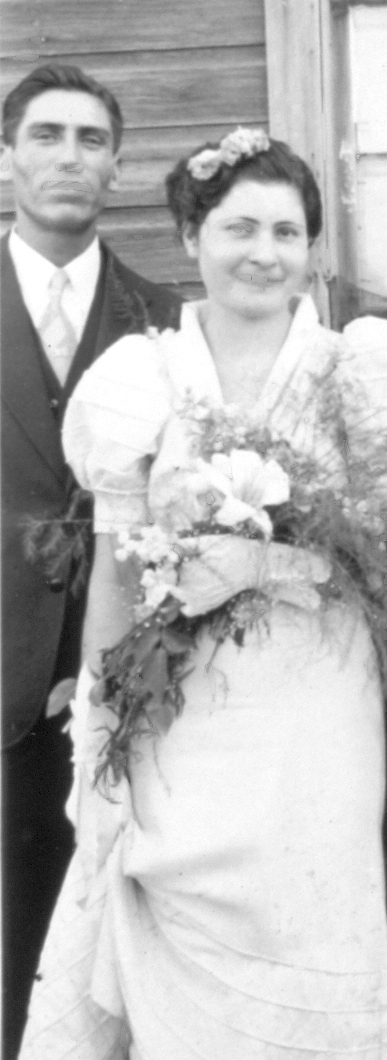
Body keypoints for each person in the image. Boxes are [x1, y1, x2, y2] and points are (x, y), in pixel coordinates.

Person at [17, 131, 387, 1058]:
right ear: (191, 237)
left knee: (308, 914)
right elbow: (116, 570)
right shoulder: (142, 374)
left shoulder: (356, 367)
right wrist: (98, 720)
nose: (264, 253)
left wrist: (273, 566)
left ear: (312, 250)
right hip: (181, 704)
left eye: (287, 233)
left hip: (315, 701)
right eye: (238, 228)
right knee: (170, 907)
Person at [1, 63, 180, 1057]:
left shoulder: (164, 319)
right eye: (46, 134)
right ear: (8, 156)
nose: (70, 157)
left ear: (117, 164)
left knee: (119, 967)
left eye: (91, 139)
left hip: (127, 692)